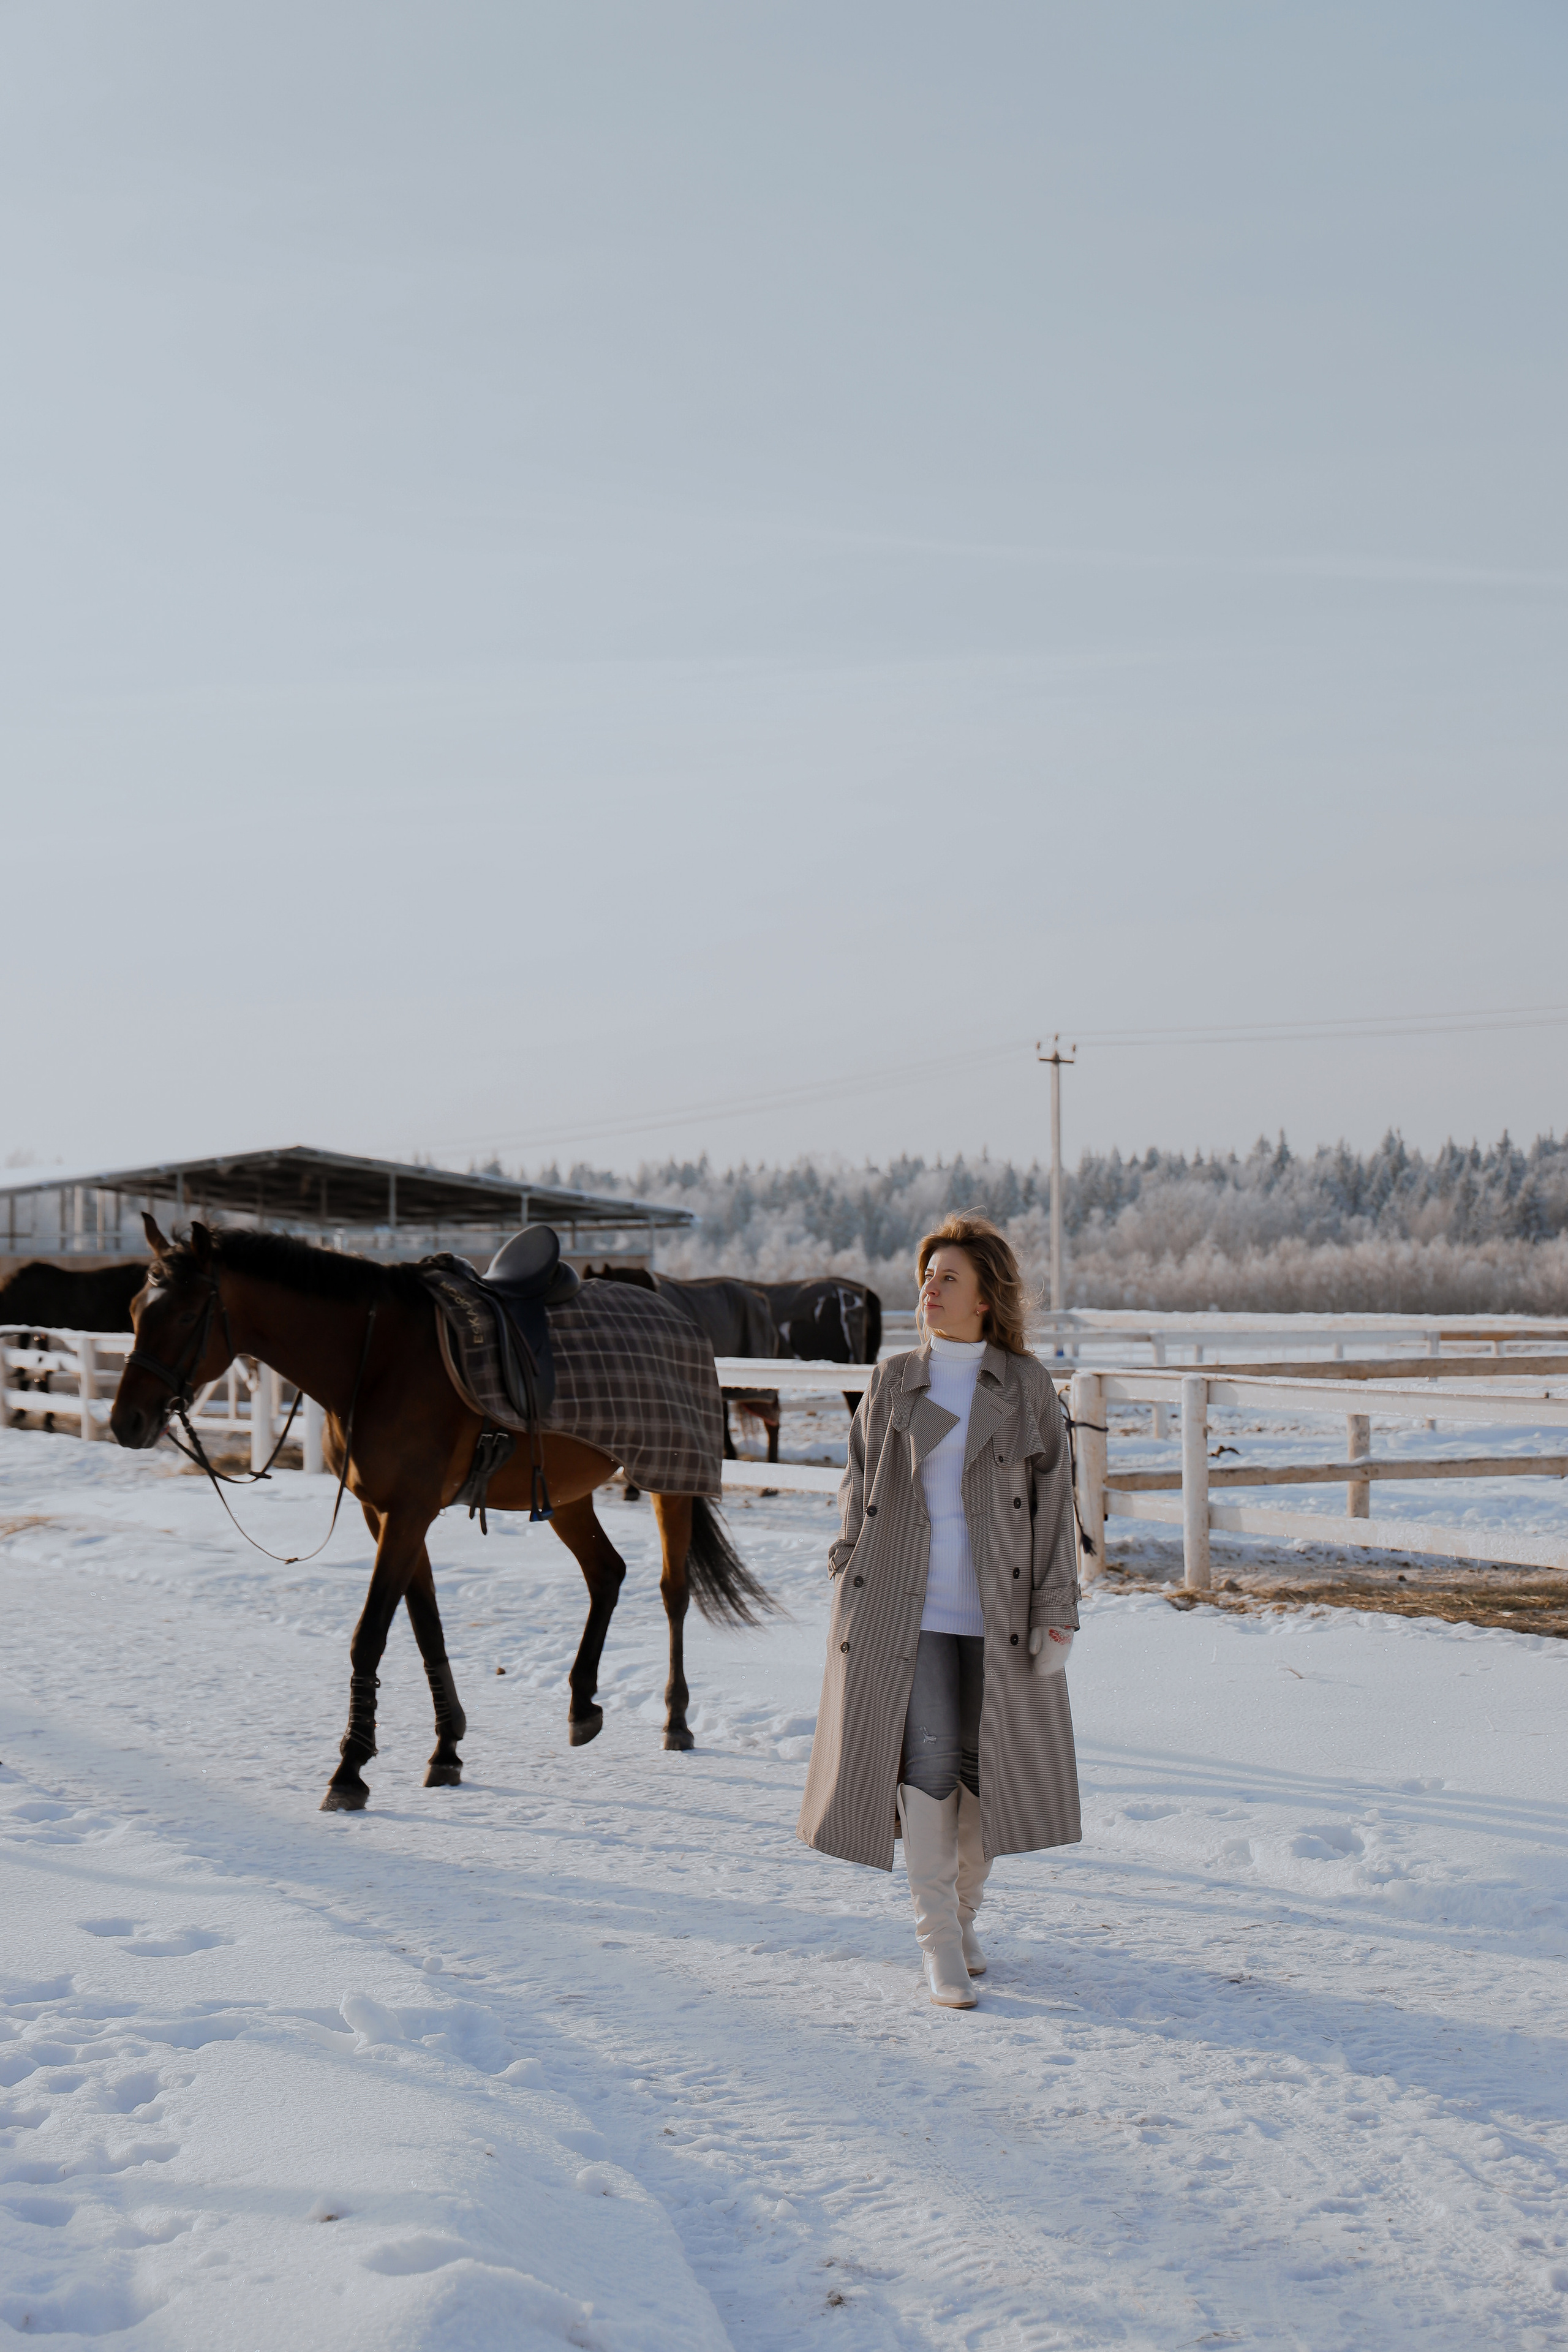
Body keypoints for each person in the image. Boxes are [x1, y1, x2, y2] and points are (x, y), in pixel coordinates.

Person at [796, 1213, 1082, 2008]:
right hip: (904, 1612)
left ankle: (962, 1913)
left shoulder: (1024, 1386)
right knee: (925, 1766)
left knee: (990, 1777)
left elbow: (1058, 1500)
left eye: (948, 1276)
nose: (929, 1288)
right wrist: (846, 1560)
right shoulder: (895, 1379)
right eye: (926, 1275)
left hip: (1001, 1612)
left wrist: (1059, 1608)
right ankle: (938, 1943)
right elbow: (857, 1480)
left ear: (988, 1296)